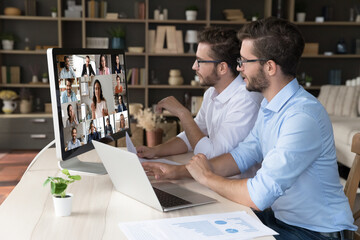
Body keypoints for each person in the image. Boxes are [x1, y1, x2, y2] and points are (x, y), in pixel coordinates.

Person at [142, 18, 357, 239]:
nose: (238, 67)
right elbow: (241, 156)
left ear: (270, 67)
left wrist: (206, 177)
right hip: (281, 219)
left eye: (245, 61)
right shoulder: (269, 105)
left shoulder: (301, 117)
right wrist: (178, 172)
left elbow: (259, 195)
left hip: (316, 232)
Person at [136, 26, 262, 161]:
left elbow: (213, 155)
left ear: (222, 68)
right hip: (214, 177)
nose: (194, 66)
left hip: (234, 180)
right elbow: (191, 136)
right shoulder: (211, 94)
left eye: (200, 61)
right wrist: (155, 151)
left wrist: (182, 114)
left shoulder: (246, 99)